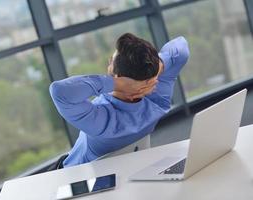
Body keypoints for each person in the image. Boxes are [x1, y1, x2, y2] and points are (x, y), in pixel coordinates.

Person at [49, 33, 190, 170]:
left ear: (118, 77)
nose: (109, 60)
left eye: (112, 60)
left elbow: (59, 91)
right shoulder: (158, 102)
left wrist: (118, 84)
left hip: (70, 175)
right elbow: (181, 46)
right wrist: (158, 66)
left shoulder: (103, 122)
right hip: (126, 172)